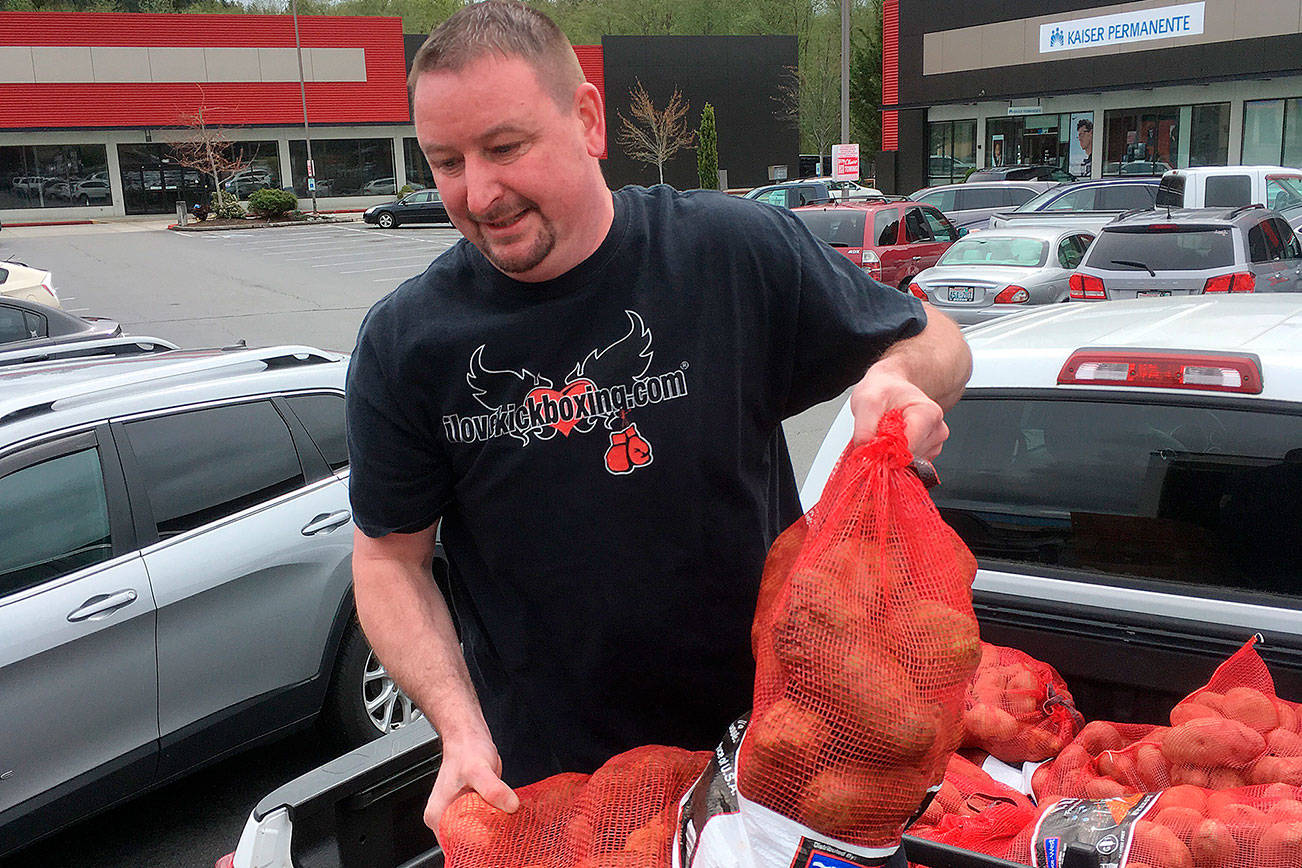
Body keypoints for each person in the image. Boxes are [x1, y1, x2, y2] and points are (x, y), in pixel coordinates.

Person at [345, 0, 972, 844]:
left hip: (773, 766)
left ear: (588, 118)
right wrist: (459, 727)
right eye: (446, 161)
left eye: (504, 147)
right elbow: (388, 559)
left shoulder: (729, 252)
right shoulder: (404, 341)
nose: (478, 192)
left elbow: (939, 340)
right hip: (554, 799)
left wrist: (898, 379)